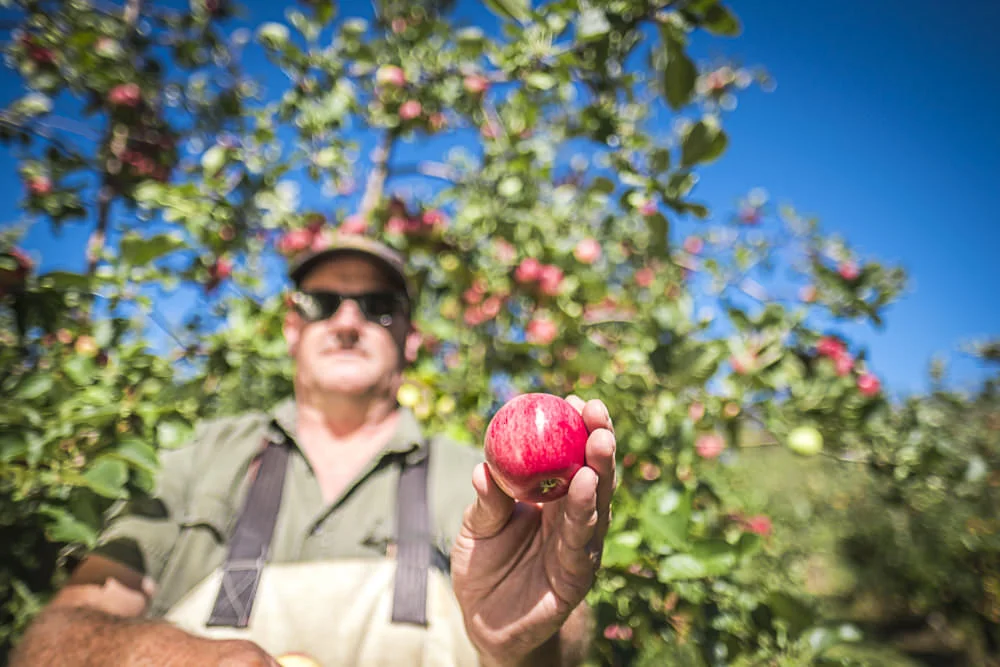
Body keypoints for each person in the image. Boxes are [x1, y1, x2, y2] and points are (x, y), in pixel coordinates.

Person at [10, 234, 617, 667]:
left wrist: (523, 647)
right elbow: (49, 640)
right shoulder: (200, 460)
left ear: (410, 340)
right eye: (321, 304)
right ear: (292, 327)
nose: (348, 321)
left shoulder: (482, 480)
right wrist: (162, 654)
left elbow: (558, 650)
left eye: (379, 308)